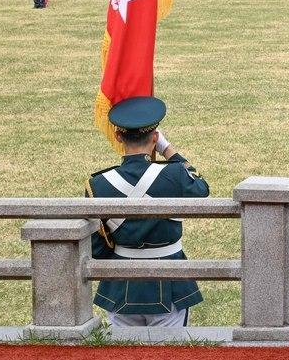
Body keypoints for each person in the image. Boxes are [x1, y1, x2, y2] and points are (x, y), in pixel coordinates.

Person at [86, 96, 210, 327]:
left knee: (125, 359)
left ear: (118, 136)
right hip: (169, 282)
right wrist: (167, 149)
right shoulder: (175, 175)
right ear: (155, 138)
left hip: (121, 286)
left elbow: (97, 245)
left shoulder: (98, 184)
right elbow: (202, 189)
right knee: (169, 358)